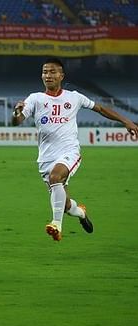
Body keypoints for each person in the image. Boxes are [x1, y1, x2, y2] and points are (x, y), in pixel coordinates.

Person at [12, 58, 138, 241]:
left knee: (56, 177)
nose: (48, 75)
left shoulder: (74, 97)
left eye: (53, 72)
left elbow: (101, 109)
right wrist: (16, 112)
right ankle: (80, 213)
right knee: (64, 204)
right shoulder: (35, 99)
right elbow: (17, 122)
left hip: (69, 152)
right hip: (46, 158)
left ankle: (56, 225)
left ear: (62, 75)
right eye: (45, 72)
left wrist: (126, 121)